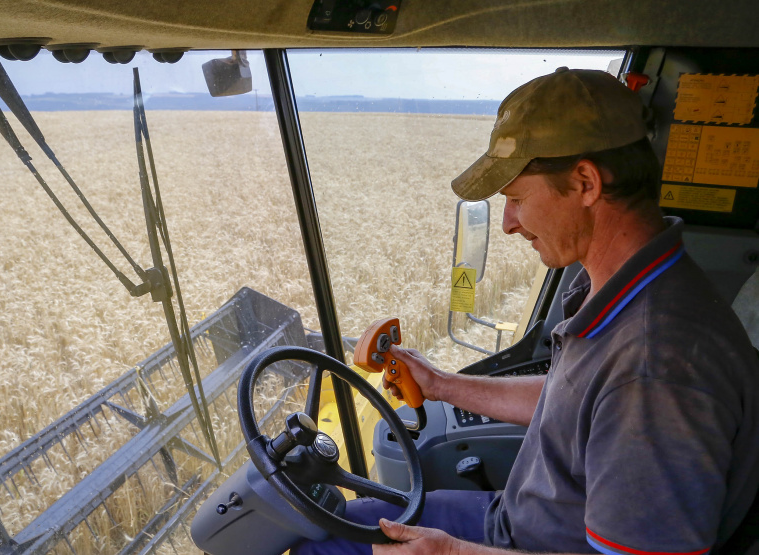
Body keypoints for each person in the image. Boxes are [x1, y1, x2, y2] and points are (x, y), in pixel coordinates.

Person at [294, 67, 759, 554]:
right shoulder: (632, 293)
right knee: (330, 528)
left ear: (585, 182)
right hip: (513, 523)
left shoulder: (655, 366)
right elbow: (577, 406)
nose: (508, 224)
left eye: (516, 199)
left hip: (527, 541)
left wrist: (451, 552)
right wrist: (442, 385)